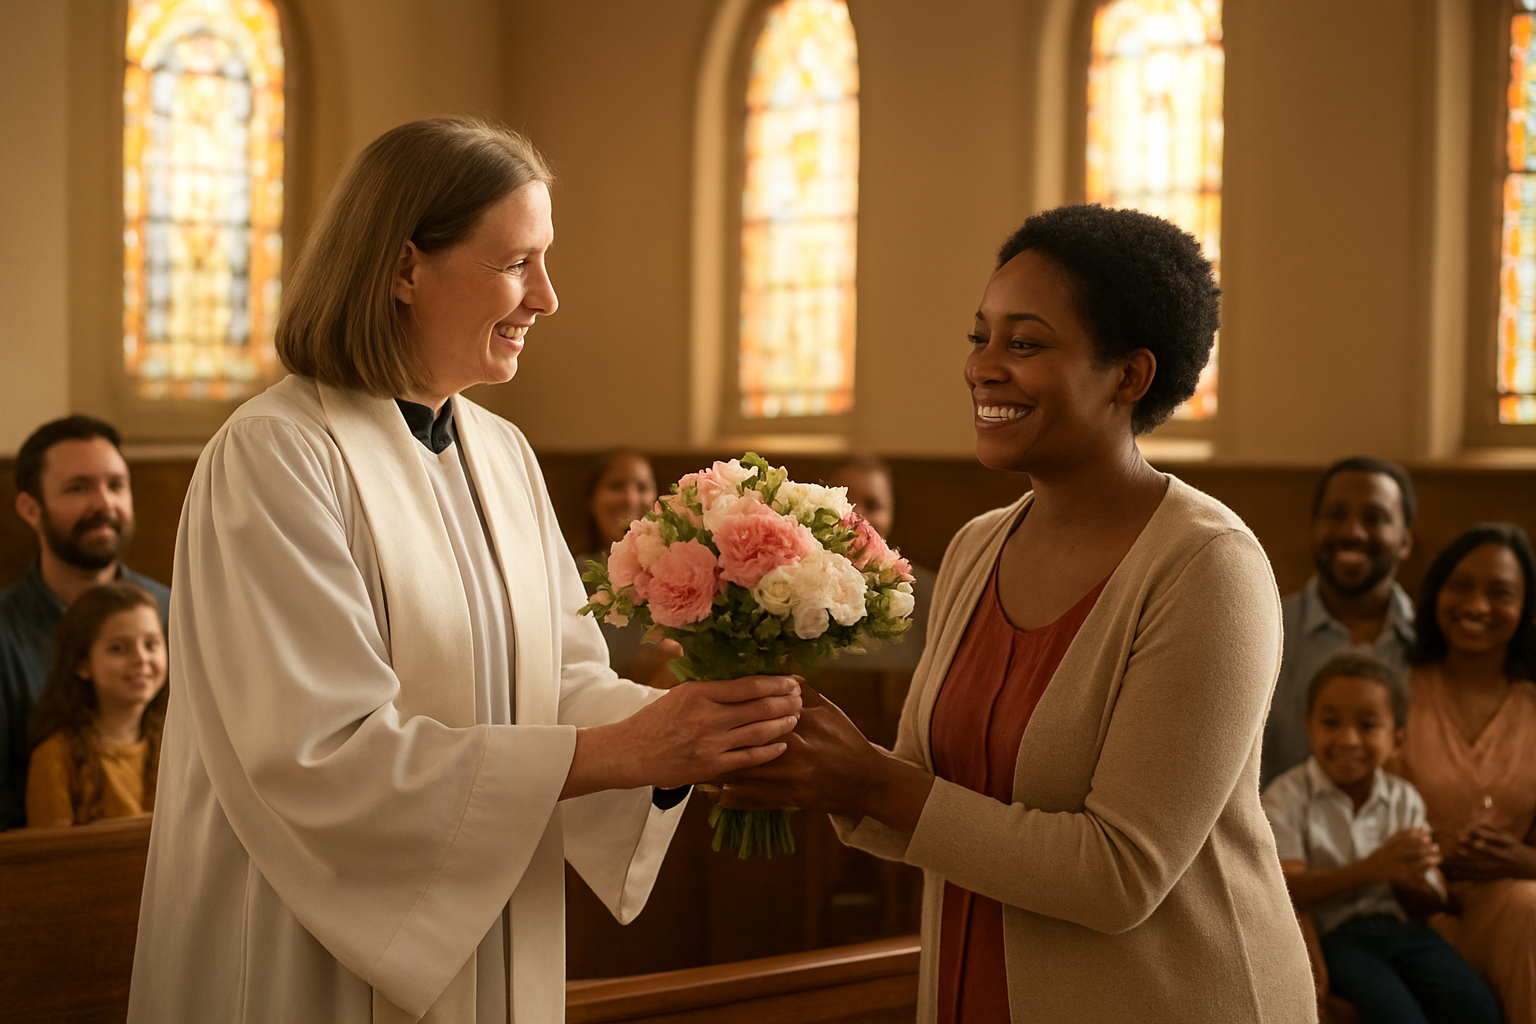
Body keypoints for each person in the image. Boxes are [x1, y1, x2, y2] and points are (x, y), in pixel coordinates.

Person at [128, 118, 802, 1024]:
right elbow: (321, 754)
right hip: (309, 952)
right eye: (518, 263)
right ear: (405, 268)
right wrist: (628, 750)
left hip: (494, 934)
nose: (548, 298)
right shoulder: (276, 455)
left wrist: (698, 734)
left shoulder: (502, 451)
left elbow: (560, 681)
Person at [717, 204, 1315, 1021]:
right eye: (980, 337)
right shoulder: (976, 547)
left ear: (1128, 376)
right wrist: (814, 763)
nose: (983, 367)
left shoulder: (1208, 567)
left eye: (1024, 343)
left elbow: (1119, 874)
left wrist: (872, 781)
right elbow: (935, 792)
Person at [1262, 651, 1501, 1024]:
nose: (1348, 739)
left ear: (1398, 739)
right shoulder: (1286, 797)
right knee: (1399, 1017)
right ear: (1309, 725)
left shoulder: (1404, 798)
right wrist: (1375, 868)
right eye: (1330, 722)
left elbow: (1427, 899)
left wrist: (1420, 880)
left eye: (1369, 725)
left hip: (1404, 933)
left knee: (1477, 1008)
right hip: (1339, 940)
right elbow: (1287, 889)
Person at [1390, 524, 1536, 1024]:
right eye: (1461, 586)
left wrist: (1525, 860)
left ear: (1526, 608)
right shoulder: (1394, 694)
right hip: (1410, 906)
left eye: (1500, 593)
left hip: (1511, 908)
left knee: (1529, 906)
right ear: (1436, 594)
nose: (1476, 606)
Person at [0, 415, 170, 831]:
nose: (104, 504)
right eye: (78, 488)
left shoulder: (172, 609)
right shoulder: (5, 630)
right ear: (30, 508)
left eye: (115, 485)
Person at [1262, 457, 1417, 788]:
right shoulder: (1266, 631)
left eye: (1375, 519)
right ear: (1314, 527)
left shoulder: (1432, 641)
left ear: (1405, 541)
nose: (1352, 532)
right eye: (1336, 515)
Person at [25, 582, 168, 827]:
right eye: (119, 648)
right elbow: (51, 858)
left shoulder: (176, 743)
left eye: (151, 644)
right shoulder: (55, 758)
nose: (142, 658)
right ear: (82, 664)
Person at [572, 450, 681, 688]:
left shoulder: (679, 572)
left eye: (642, 487)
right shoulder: (571, 576)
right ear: (592, 499)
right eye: (616, 486)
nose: (630, 497)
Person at [825, 456, 935, 672]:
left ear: (892, 514)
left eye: (873, 505)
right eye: (847, 503)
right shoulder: (792, 586)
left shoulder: (933, 593)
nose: (858, 518)